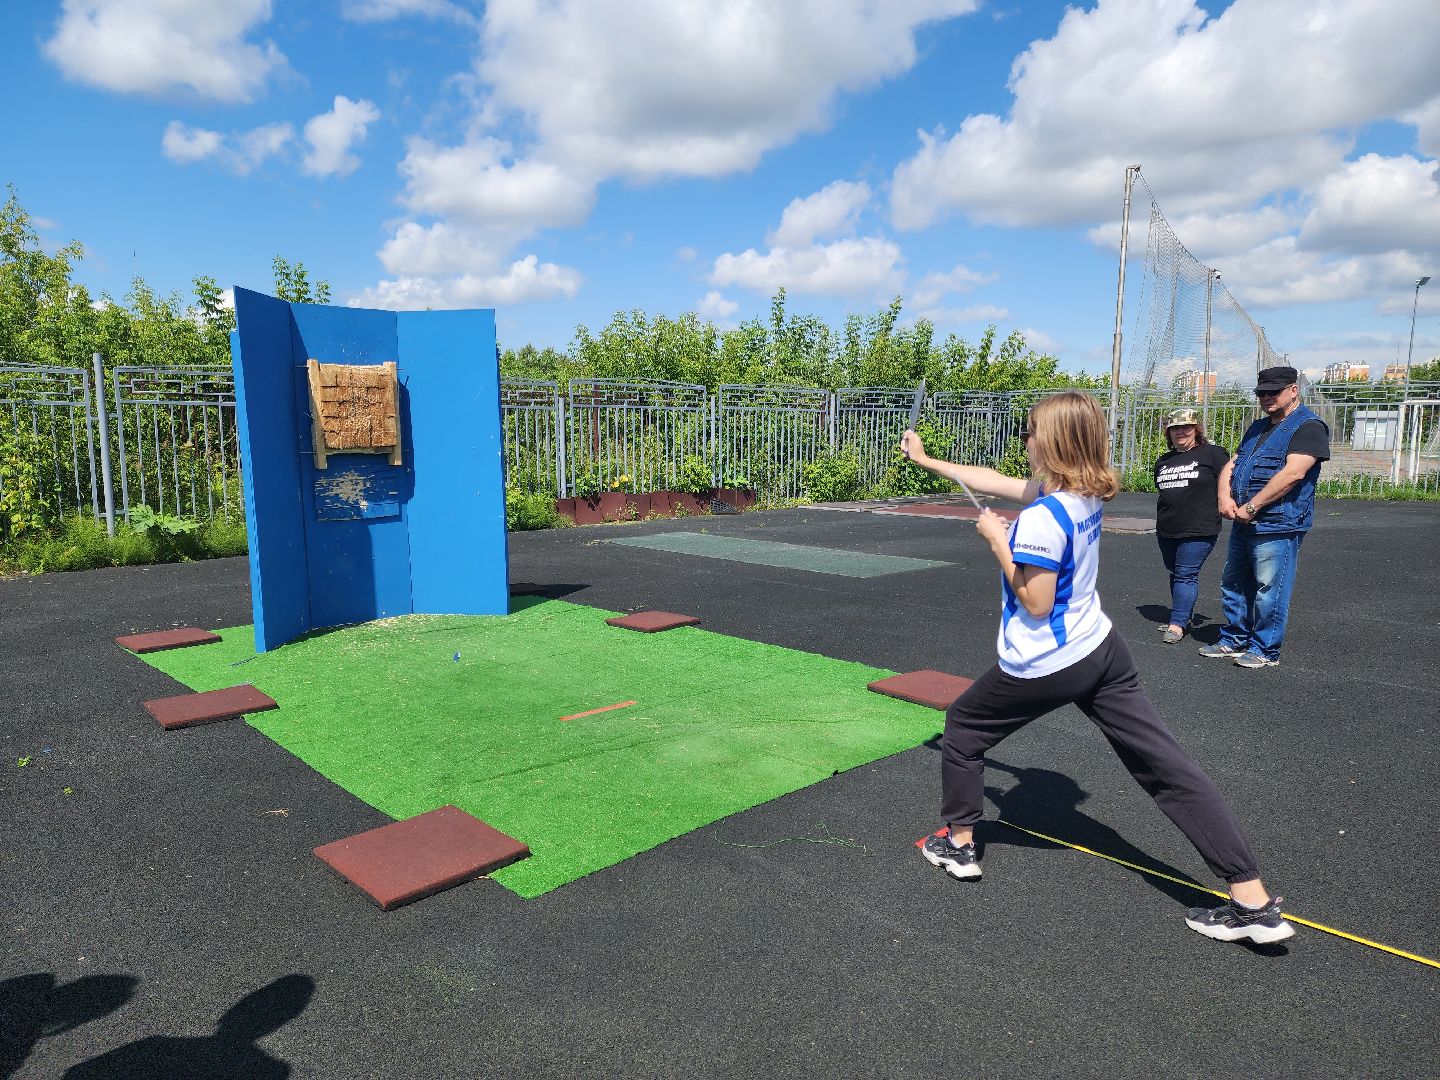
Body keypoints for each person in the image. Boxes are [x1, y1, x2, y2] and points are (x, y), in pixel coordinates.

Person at [900, 391, 1293, 944]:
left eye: (1031, 431)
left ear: (1052, 441)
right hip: (1102, 651)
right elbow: (997, 482)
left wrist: (997, 541)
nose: (1026, 439)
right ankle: (1252, 901)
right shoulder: (1082, 492)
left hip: (1048, 660)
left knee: (963, 729)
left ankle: (959, 844)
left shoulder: (1040, 518)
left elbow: (1034, 601)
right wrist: (927, 460)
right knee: (1165, 766)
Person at [1199, 365, 1330, 669]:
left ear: (1293, 390)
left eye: (1274, 391)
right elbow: (1233, 463)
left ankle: (1265, 649)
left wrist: (1252, 506)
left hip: (1278, 524)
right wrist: (1224, 495)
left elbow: (1293, 473)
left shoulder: (1308, 427)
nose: (1267, 397)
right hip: (1245, 520)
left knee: (1270, 589)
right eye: (1262, 393)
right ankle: (1234, 638)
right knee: (1233, 583)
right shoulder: (1258, 427)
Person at [1152, 408, 1230, 643]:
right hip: (1167, 528)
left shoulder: (1212, 455)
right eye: (1175, 428)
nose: (1180, 432)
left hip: (1199, 528)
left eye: (1186, 427)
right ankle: (1182, 614)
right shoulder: (1164, 461)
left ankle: (1176, 624)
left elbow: (1228, 482)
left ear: (1196, 429)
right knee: (1175, 571)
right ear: (1169, 433)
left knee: (1186, 574)